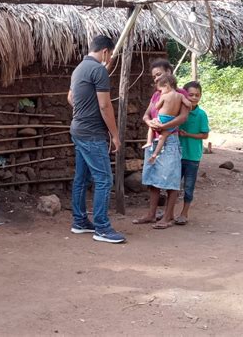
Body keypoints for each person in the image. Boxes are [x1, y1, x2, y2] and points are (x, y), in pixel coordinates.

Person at [67, 35, 125, 244]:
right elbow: (105, 105)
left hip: (78, 129)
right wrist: (115, 135)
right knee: (104, 179)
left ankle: (80, 221)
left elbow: (71, 98)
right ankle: (101, 227)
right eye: (109, 57)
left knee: (81, 178)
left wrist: (83, 111)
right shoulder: (99, 70)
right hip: (92, 133)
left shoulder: (79, 68)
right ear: (106, 52)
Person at [132, 59, 190, 229]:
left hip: (170, 139)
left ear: (169, 73)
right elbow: (146, 115)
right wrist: (150, 123)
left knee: (171, 178)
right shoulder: (157, 94)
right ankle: (151, 214)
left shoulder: (181, 93)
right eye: (154, 76)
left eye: (159, 74)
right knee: (153, 177)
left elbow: (183, 117)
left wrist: (164, 126)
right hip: (155, 138)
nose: (156, 79)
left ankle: (167, 216)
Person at [176, 81, 209, 225]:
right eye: (191, 95)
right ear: (184, 95)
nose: (194, 98)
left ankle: (184, 213)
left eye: (197, 95)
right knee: (172, 186)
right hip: (177, 154)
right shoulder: (178, 110)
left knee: (188, 187)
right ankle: (168, 212)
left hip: (192, 156)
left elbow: (204, 135)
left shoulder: (201, 114)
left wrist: (187, 134)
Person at [143, 74, 191, 163]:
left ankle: (149, 142)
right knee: (162, 137)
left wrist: (160, 103)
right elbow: (188, 104)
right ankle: (155, 154)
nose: (160, 92)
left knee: (151, 126)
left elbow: (157, 106)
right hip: (172, 122)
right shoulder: (180, 96)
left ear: (166, 85)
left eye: (160, 90)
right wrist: (190, 107)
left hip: (162, 118)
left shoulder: (164, 96)